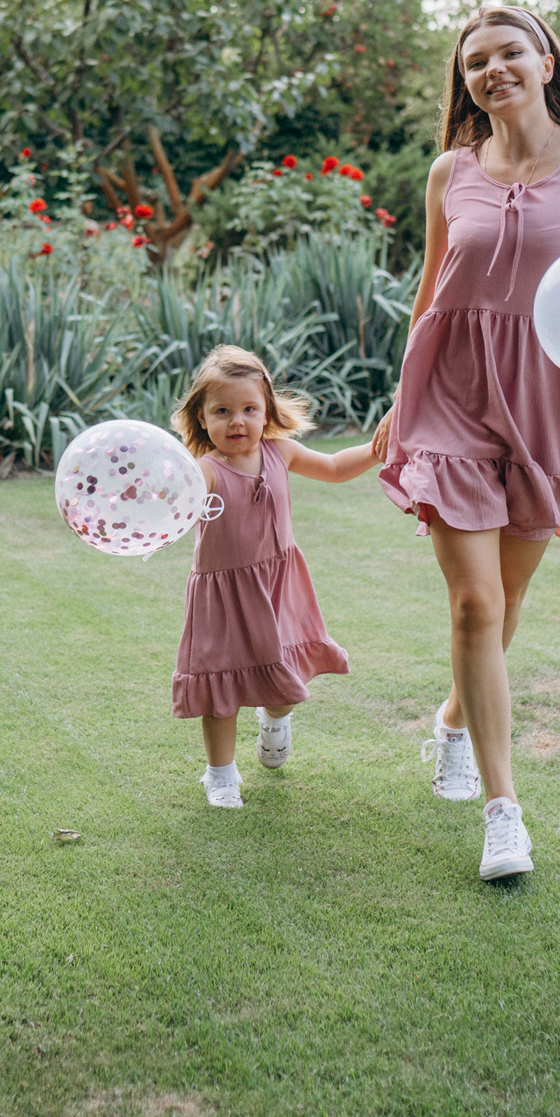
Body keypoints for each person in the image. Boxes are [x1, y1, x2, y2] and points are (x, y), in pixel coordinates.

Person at [377, 6, 560, 879]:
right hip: (453, 400)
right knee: (474, 604)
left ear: (545, 62)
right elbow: (431, 296)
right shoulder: (446, 173)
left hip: (547, 401)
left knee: (507, 593)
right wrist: (400, 400)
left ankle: (457, 720)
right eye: (476, 62)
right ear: (464, 82)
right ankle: (505, 812)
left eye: (509, 54)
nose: (493, 69)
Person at [172, 345, 386, 807]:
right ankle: (221, 774)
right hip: (224, 596)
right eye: (222, 411)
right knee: (220, 688)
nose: (237, 421)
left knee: (285, 675)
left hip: (277, 587)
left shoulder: (281, 453)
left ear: (267, 410)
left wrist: (374, 450)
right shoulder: (206, 471)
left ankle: (275, 718)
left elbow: (331, 467)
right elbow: (181, 506)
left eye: (249, 409)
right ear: (202, 418)